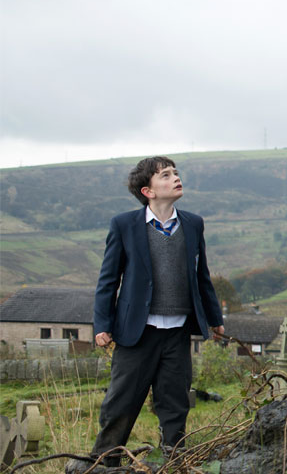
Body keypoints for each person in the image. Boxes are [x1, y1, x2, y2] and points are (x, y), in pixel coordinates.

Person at [67, 157, 224, 472]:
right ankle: (104, 463)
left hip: (178, 332)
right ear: (147, 190)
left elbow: (202, 275)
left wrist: (214, 317)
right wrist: (102, 324)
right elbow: (108, 279)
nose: (175, 178)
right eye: (165, 175)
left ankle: (174, 461)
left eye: (176, 173)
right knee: (121, 403)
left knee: (175, 402)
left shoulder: (194, 223)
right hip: (136, 333)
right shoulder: (124, 224)